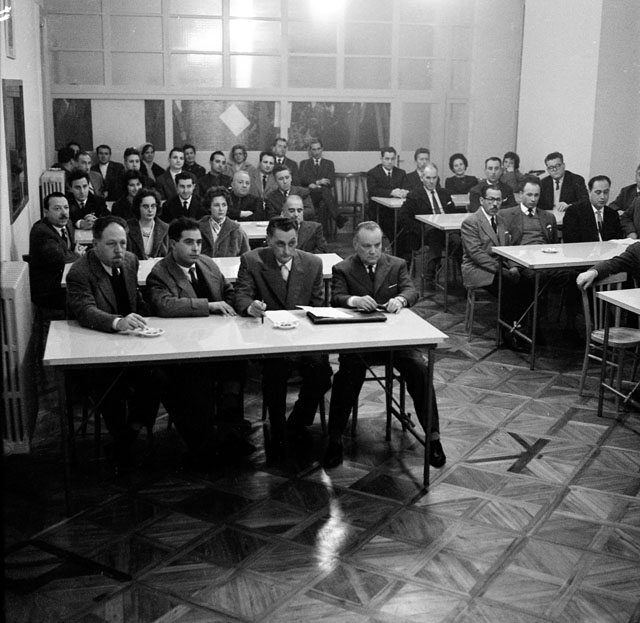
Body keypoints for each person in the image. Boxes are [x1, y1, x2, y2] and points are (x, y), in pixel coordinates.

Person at [322, 221, 446, 469]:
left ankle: (433, 438)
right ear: (356, 245)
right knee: (347, 375)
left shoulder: (396, 264)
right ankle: (334, 439)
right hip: (359, 342)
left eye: (377, 245)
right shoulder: (343, 268)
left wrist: (400, 299)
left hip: (395, 342)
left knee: (419, 369)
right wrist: (354, 300)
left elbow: (411, 291)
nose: (373, 251)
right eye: (367, 246)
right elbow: (336, 297)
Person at [145, 217, 250, 466]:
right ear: (173, 244)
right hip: (183, 350)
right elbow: (164, 305)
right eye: (189, 242)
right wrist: (209, 306)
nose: (196, 248)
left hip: (217, 343)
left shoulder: (207, 263)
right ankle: (207, 443)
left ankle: (228, 429)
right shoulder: (160, 272)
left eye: (199, 242)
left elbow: (229, 292)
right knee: (198, 379)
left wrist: (237, 306)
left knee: (238, 364)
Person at [66, 216, 160, 474]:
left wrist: (150, 319)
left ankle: (128, 435)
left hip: (133, 343)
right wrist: (118, 322)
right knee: (110, 384)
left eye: (123, 243)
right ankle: (122, 438)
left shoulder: (129, 261)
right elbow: (85, 310)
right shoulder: (80, 272)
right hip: (97, 348)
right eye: (111, 244)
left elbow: (136, 299)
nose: (120, 250)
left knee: (159, 374)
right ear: (95, 244)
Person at [233, 216, 333, 460]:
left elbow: (318, 306)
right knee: (275, 373)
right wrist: (250, 306)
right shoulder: (252, 260)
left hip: (303, 338)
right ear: (268, 240)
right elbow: (241, 295)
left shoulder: (312, 263)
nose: (287, 251)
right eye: (279, 244)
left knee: (322, 373)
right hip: (269, 340)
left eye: (292, 243)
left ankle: (297, 422)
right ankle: (277, 428)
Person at [461, 185, 527, 350]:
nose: (495, 204)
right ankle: (507, 333)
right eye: (491, 199)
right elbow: (476, 254)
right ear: (482, 200)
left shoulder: (501, 220)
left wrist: (513, 266)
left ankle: (521, 328)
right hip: (477, 269)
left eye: (498, 200)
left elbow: (509, 248)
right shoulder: (471, 222)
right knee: (508, 286)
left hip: (499, 267)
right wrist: (502, 270)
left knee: (527, 281)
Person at [397, 164, 457, 286]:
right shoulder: (414, 195)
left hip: (447, 230)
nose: (431, 181)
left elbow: (453, 213)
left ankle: (465, 277)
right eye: (428, 178)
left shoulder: (444, 193)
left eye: (434, 178)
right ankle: (430, 273)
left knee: (458, 240)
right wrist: (420, 228)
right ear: (422, 178)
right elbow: (403, 216)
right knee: (436, 234)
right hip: (424, 232)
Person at [28, 192, 82, 311]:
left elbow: (68, 251)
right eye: (57, 209)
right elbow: (61, 258)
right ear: (46, 212)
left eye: (66, 207)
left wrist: (73, 254)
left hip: (64, 276)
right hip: (49, 290)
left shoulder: (68, 223)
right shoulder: (41, 231)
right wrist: (77, 254)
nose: (64, 213)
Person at [298, 138, 346, 229]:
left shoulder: (329, 163)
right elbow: (302, 179)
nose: (316, 152)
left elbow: (331, 181)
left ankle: (322, 233)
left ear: (322, 149)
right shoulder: (304, 163)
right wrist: (318, 182)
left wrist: (315, 185)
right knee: (324, 190)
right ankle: (337, 217)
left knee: (323, 204)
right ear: (310, 150)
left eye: (318, 149)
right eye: (314, 149)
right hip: (310, 195)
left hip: (323, 196)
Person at [562, 175, 622, 243]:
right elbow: (570, 241)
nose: (602, 197)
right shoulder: (574, 212)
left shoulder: (613, 214)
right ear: (589, 192)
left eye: (606, 192)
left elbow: (617, 241)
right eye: (598, 192)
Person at [366, 146, 407, 239]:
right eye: (387, 159)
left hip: (398, 208)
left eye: (392, 159)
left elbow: (405, 187)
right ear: (381, 159)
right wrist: (391, 192)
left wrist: (404, 192)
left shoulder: (401, 173)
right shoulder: (373, 173)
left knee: (407, 223)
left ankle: (402, 246)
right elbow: (373, 190)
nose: (390, 162)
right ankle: (396, 245)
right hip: (379, 209)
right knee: (391, 225)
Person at [198, 186, 250, 258]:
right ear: (209, 207)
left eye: (224, 205)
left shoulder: (237, 230)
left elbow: (247, 258)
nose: (221, 209)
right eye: (216, 205)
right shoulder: (199, 228)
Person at [126, 188, 169, 260]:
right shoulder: (128, 227)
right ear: (138, 207)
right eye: (146, 206)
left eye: (153, 206)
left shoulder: (164, 228)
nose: (150, 210)